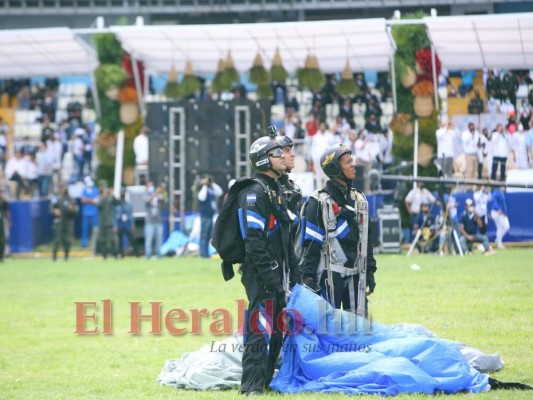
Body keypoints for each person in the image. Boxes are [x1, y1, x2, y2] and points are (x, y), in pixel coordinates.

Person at [238, 135, 299, 396]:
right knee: (258, 327)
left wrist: (291, 273)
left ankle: (265, 381)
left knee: (277, 329)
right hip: (261, 272)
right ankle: (250, 386)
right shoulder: (254, 192)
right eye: (278, 153)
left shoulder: (277, 189)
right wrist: (270, 276)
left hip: (277, 271)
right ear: (265, 160)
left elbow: (285, 238)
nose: (284, 157)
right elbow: (254, 243)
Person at [300, 143, 377, 312]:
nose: (353, 164)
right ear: (335, 168)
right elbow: (311, 244)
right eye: (347, 162)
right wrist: (309, 277)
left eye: (352, 160)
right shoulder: (318, 202)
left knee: (358, 331)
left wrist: (370, 270)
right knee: (328, 329)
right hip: (329, 276)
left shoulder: (359, 200)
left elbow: (367, 237)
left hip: (357, 274)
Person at [197, 174, 223, 258]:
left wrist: (212, 183)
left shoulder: (211, 188)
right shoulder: (201, 189)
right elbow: (202, 197)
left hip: (211, 215)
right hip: (204, 215)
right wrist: (204, 185)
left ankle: (206, 253)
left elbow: (220, 192)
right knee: (204, 235)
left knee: (208, 235)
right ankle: (203, 253)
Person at [49, 186, 77, 261]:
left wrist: (72, 209)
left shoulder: (71, 199)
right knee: (57, 239)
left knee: (67, 240)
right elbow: (50, 208)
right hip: (59, 221)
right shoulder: (56, 198)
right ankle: (54, 257)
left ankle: (66, 256)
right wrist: (54, 211)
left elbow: (76, 210)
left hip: (68, 220)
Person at [114, 187, 139, 258]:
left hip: (127, 223)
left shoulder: (128, 203)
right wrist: (115, 225)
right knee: (120, 240)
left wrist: (132, 224)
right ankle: (120, 254)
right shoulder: (117, 203)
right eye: (121, 192)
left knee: (132, 239)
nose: (122, 194)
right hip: (120, 222)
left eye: (123, 192)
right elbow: (115, 215)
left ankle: (136, 254)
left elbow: (131, 214)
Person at [97, 181, 119, 259]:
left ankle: (115, 255)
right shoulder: (99, 197)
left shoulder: (109, 197)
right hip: (102, 223)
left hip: (109, 222)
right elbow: (98, 205)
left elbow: (117, 203)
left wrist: (112, 194)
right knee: (102, 241)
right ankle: (104, 256)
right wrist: (103, 196)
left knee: (112, 240)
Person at [144, 181, 165, 258]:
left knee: (159, 239)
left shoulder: (158, 196)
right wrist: (155, 194)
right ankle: (148, 255)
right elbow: (147, 201)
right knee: (149, 240)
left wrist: (161, 193)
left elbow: (163, 203)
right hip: (149, 221)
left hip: (158, 221)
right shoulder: (146, 195)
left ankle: (159, 254)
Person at [80, 177, 99, 248]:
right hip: (86, 213)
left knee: (95, 229)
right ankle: (84, 243)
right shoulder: (84, 190)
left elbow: (96, 201)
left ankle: (95, 243)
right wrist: (91, 200)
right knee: (85, 229)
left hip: (94, 213)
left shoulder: (95, 190)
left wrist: (87, 200)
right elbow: (83, 200)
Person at [0, 192, 10, 262]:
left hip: (2, 221)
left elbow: (7, 212)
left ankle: (1, 255)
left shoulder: (4, 202)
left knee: (2, 238)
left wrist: (9, 220)